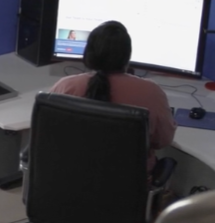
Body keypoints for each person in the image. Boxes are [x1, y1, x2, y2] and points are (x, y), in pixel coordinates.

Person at [48, 20, 176, 168]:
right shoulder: (151, 92)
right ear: (127, 56)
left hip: (66, 176)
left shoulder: (66, 87)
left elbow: (47, 132)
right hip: (128, 182)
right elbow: (163, 141)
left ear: (88, 54)